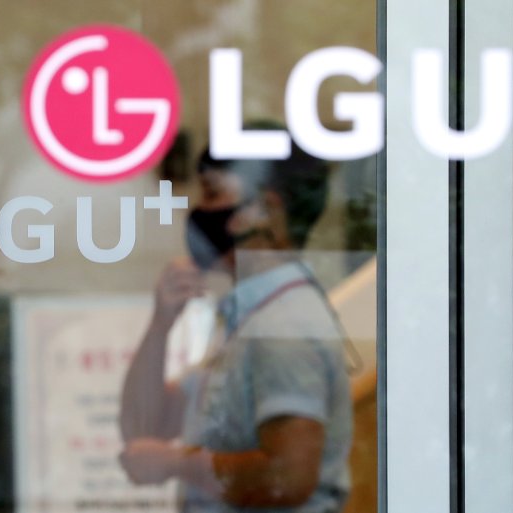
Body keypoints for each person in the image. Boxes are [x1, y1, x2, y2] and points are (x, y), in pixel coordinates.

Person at [118, 141, 353, 513]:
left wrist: (176, 463)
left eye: (213, 193)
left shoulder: (283, 325)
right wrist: (160, 325)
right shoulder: (249, 318)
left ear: (264, 211)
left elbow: (288, 476)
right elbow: (145, 427)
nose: (199, 210)